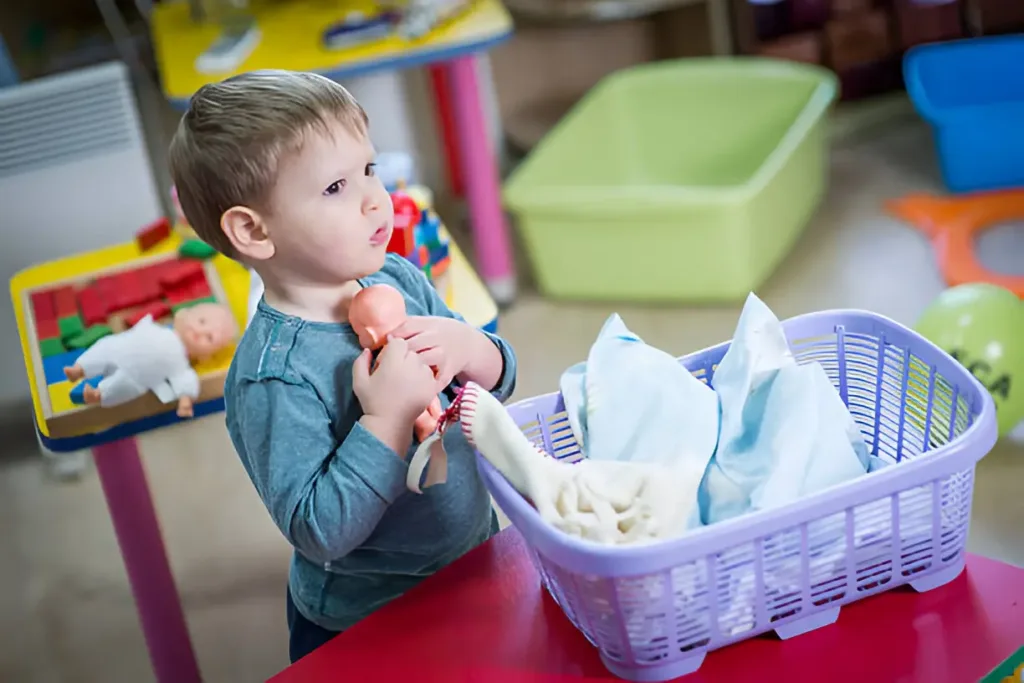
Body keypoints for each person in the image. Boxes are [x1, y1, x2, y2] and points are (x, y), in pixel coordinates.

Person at [168, 70, 517, 663]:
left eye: (370, 169)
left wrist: (471, 349)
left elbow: (492, 391)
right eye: (335, 187)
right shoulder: (274, 376)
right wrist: (385, 418)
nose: (374, 199)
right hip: (369, 615)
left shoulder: (398, 277)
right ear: (253, 230)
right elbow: (319, 529)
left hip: (472, 554)